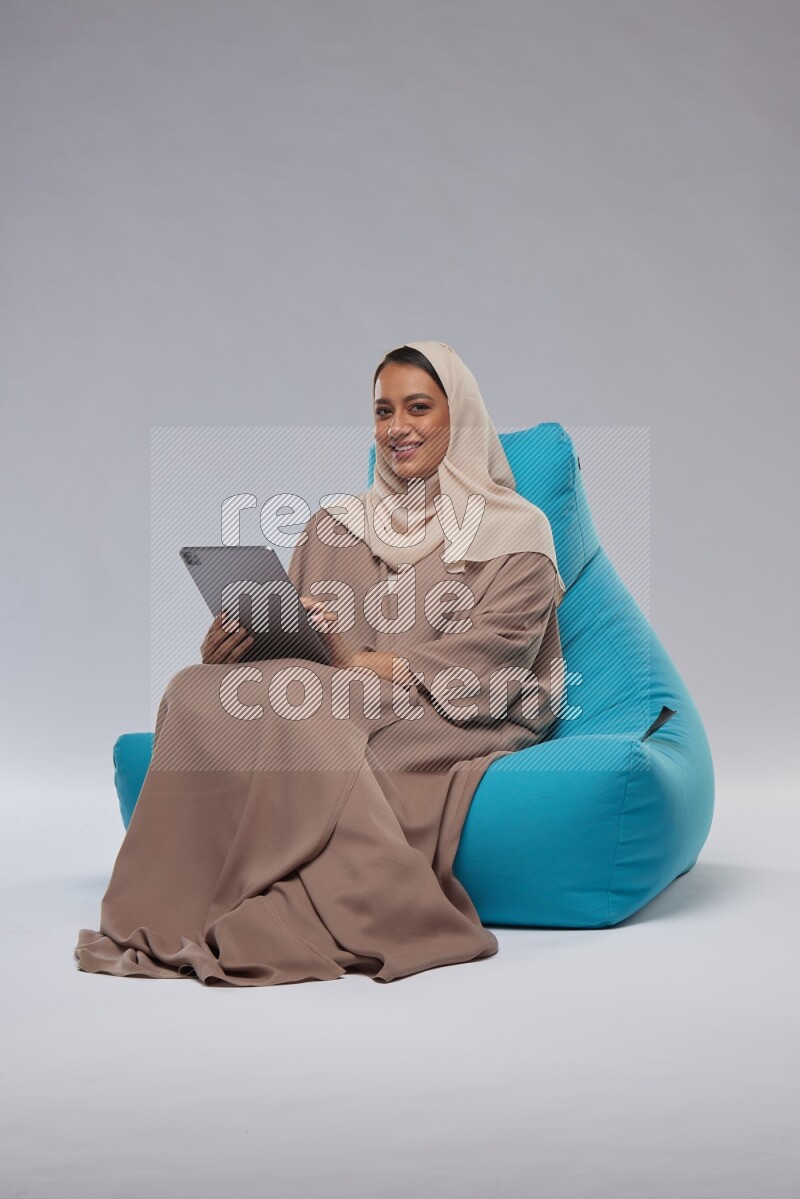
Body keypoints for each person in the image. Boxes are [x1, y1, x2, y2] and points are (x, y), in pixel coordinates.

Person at [74, 340, 566, 986]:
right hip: (330, 701)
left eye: (418, 407)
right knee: (193, 688)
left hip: (448, 711)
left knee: (310, 703)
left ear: (462, 417)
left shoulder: (516, 531)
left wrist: (354, 662)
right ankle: (171, 902)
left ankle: (324, 901)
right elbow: (298, 656)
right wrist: (233, 653)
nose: (397, 427)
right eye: (384, 411)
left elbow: (495, 662)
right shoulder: (335, 525)